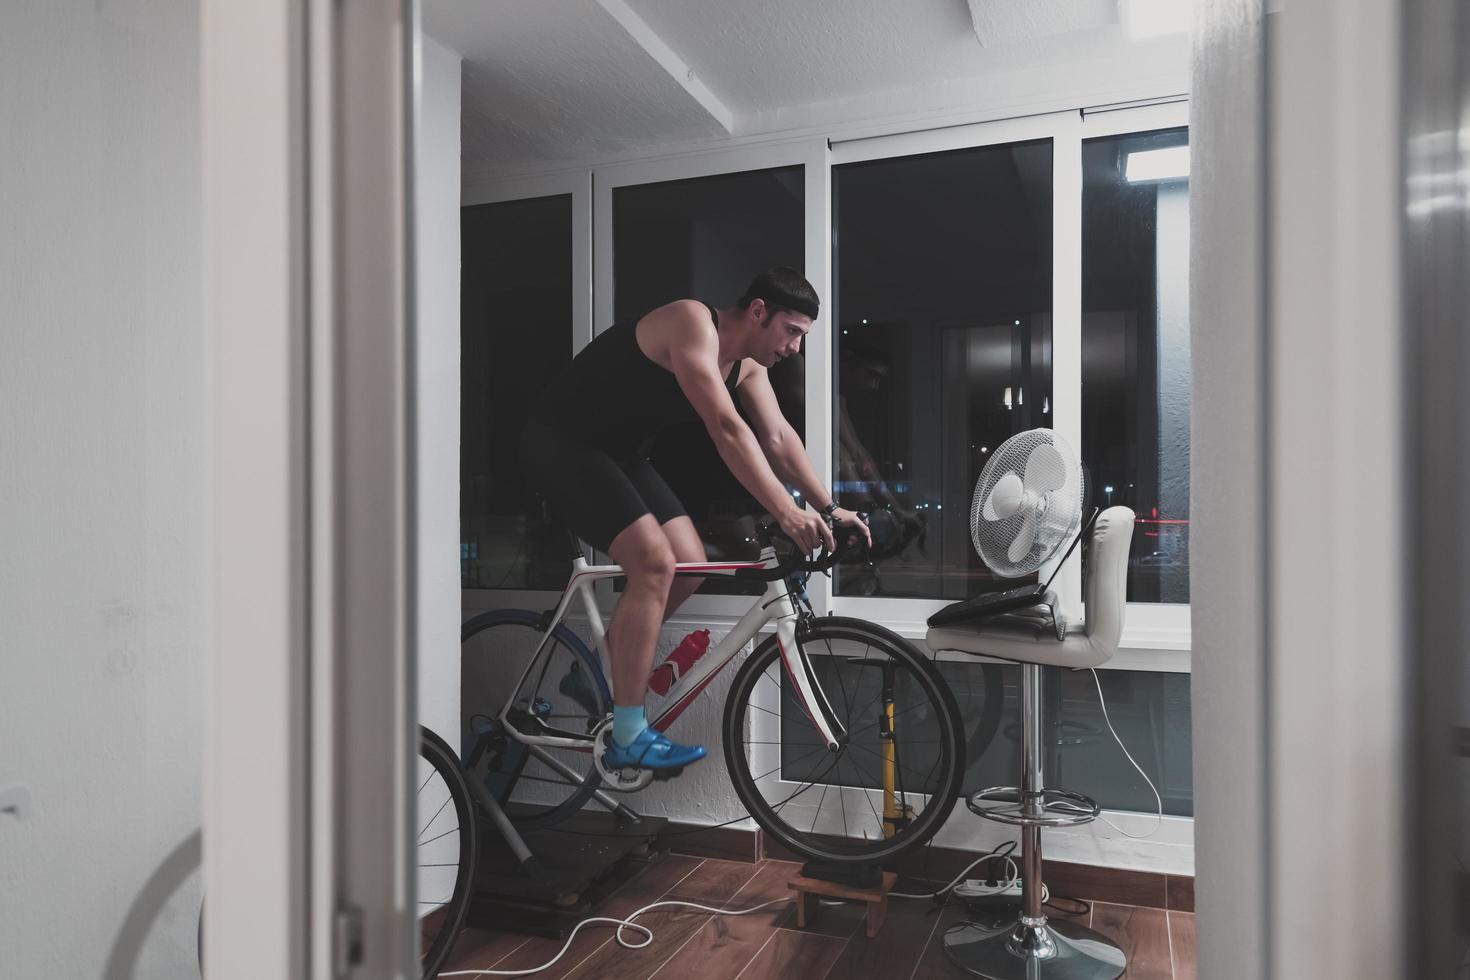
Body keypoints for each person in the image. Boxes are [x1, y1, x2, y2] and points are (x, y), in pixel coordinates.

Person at [520, 267, 871, 774]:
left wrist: (827, 507)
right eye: (791, 331)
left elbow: (777, 438)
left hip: (619, 454)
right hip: (563, 443)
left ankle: (594, 674)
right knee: (655, 564)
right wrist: (785, 511)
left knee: (690, 564)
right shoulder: (691, 323)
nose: (795, 347)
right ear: (757, 312)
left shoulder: (748, 368)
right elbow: (727, 428)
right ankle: (628, 735)